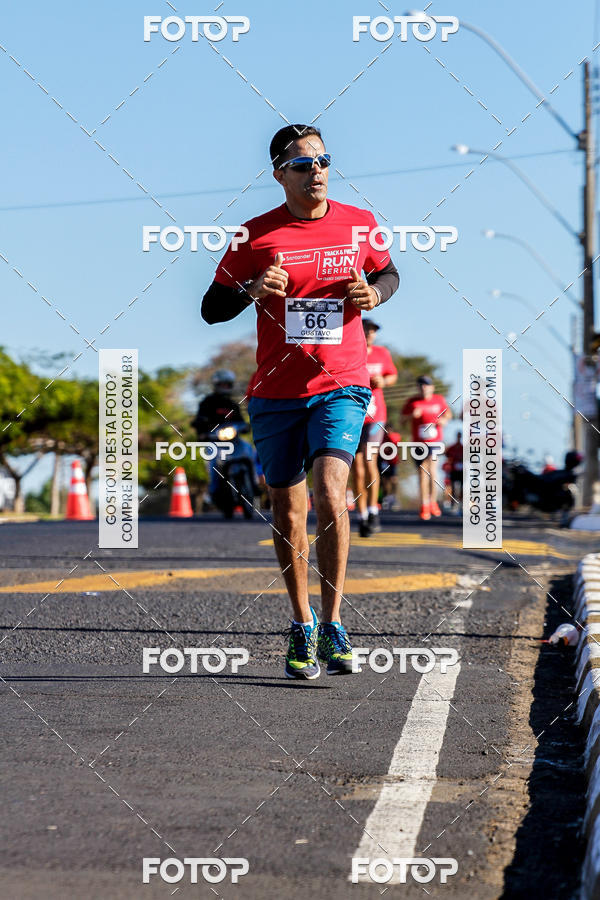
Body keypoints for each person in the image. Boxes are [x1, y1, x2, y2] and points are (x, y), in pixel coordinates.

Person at [201, 123, 399, 678]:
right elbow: (211, 309)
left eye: (323, 160)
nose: (316, 170)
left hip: (342, 381)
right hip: (275, 392)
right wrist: (251, 289)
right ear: (278, 174)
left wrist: (374, 291)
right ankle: (301, 623)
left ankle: (335, 621)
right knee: (288, 509)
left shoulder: (359, 224)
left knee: (331, 492)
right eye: (302, 163)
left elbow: (389, 274)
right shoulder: (254, 235)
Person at [351, 319, 397, 536]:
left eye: (374, 331)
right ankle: (361, 514)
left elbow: (392, 375)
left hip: (375, 416)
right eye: (367, 330)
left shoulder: (382, 352)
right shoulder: (350, 349)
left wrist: (383, 381)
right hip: (353, 415)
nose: (370, 334)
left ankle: (373, 510)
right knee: (356, 467)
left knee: (370, 461)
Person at [192, 369, 255, 506]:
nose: (225, 387)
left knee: (250, 450)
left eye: (227, 384)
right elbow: (199, 420)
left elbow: (241, 421)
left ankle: (253, 483)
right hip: (214, 442)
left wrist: (245, 426)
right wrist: (202, 431)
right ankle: (213, 491)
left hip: (234, 440)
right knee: (213, 462)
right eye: (222, 384)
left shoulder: (233, 405)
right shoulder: (207, 402)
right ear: (216, 385)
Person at [402, 375, 451, 520]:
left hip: (434, 441)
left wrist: (443, 420)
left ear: (432, 387)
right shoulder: (412, 402)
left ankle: (433, 502)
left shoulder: (439, 400)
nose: (424, 388)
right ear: (418, 387)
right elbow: (402, 419)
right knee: (422, 471)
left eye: (427, 385)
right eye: (421, 385)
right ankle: (424, 504)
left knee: (432, 469)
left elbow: (448, 414)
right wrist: (412, 415)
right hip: (418, 442)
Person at [379, 423, 402, 510]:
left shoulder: (395, 436)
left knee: (393, 479)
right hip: (384, 461)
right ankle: (385, 498)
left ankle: (393, 498)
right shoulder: (381, 437)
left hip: (393, 462)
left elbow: (396, 446)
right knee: (384, 480)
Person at [444, 431, 463, 511]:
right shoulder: (452, 447)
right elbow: (447, 454)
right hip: (453, 470)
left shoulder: (463, 448)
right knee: (452, 487)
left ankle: (461, 504)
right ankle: (453, 504)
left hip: (462, 470)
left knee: (462, 487)